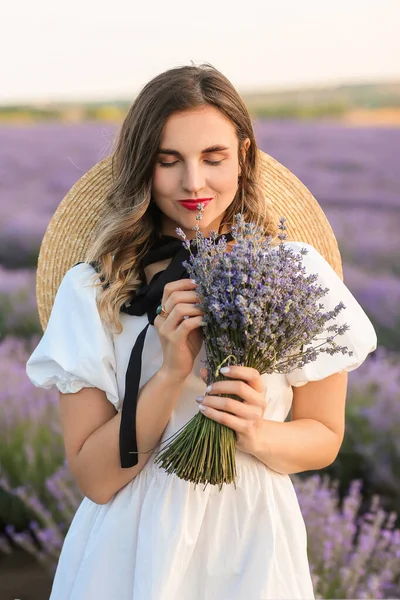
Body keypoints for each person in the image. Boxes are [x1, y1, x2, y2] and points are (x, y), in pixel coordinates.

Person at [26, 64, 377, 599]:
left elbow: (323, 438)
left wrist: (255, 430)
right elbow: (96, 479)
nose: (193, 183)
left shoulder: (295, 274)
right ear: (142, 168)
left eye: (213, 158)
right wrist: (170, 373)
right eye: (169, 162)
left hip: (252, 541)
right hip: (130, 546)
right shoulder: (92, 289)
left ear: (244, 156)